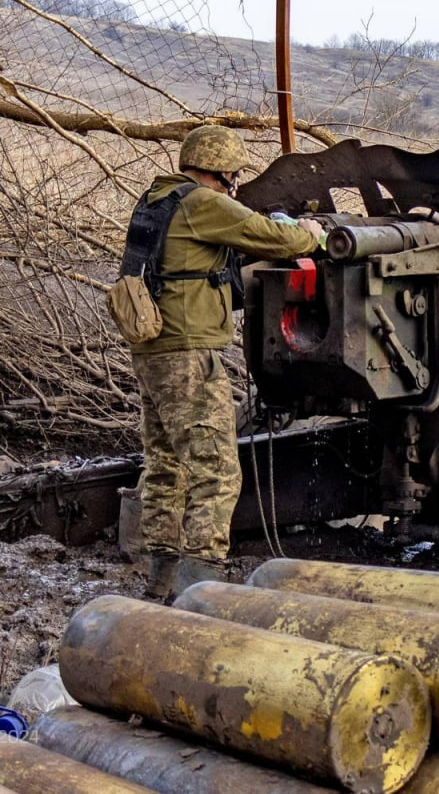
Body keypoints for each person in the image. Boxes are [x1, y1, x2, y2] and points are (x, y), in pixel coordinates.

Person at [129, 125, 322, 601]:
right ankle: (201, 589)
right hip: (189, 353)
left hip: (153, 352)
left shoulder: (157, 200)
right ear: (222, 172)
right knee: (216, 470)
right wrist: (308, 234)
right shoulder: (203, 203)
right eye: (234, 174)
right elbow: (272, 237)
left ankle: (159, 582)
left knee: (165, 466)